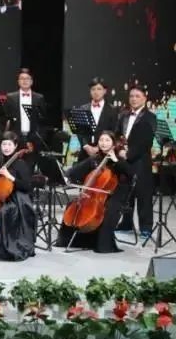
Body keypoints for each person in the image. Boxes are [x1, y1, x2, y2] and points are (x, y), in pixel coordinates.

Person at [57, 130, 132, 253]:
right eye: (101, 140)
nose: (103, 143)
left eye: (107, 140)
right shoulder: (95, 159)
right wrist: (67, 175)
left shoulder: (119, 159)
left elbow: (130, 174)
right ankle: (73, 241)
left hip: (116, 194)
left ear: (113, 143)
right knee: (71, 205)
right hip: (96, 194)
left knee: (109, 209)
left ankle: (103, 245)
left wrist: (115, 161)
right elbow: (76, 170)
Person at [0, 131, 36, 261]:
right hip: (0, 195)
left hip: (18, 199)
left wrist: (10, 177)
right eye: (4, 144)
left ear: (15, 146)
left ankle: (4, 248)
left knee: (3, 211)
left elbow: (27, 186)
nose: (6, 147)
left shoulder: (20, 163)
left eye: (9, 144)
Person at [116, 85, 155, 239]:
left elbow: (146, 142)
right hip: (123, 160)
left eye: (137, 96)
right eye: (131, 96)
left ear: (144, 98)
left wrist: (128, 154)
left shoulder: (150, 117)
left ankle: (146, 227)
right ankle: (126, 223)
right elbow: (117, 135)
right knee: (126, 194)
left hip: (140, 161)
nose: (133, 99)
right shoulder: (123, 115)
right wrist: (119, 149)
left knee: (143, 195)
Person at [4, 68, 47, 146]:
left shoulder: (39, 98)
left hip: (34, 138)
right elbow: (6, 117)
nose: (25, 81)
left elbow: (43, 120)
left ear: (31, 81)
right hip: (15, 137)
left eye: (27, 78)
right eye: (22, 78)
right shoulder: (10, 97)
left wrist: (39, 137)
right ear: (18, 81)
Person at [75, 77, 116, 160]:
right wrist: (86, 146)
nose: (96, 92)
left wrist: (98, 148)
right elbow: (79, 131)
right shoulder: (82, 109)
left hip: (104, 153)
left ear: (105, 91)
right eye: (93, 89)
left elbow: (113, 131)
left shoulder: (112, 110)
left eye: (99, 89)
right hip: (84, 153)